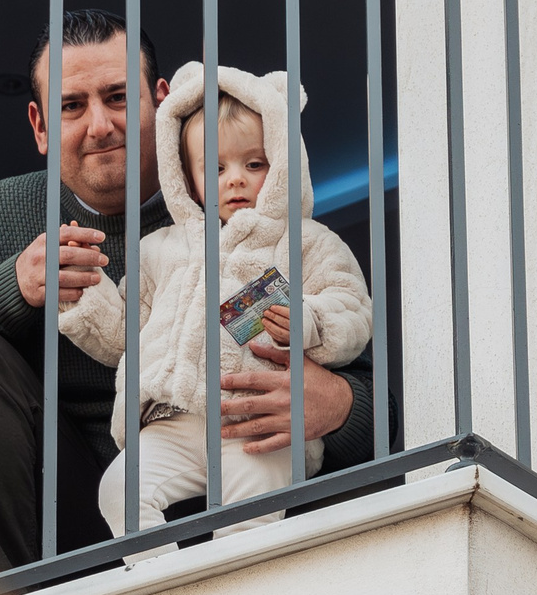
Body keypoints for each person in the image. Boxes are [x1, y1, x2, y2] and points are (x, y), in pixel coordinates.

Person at [0, 10, 377, 580]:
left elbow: (379, 403)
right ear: (40, 125)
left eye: (117, 97)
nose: (99, 125)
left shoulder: (254, 214)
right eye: (71, 106)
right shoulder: (2, 215)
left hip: (231, 489)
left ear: (160, 102)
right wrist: (12, 289)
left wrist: (337, 404)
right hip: (60, 517)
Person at [59, 65, 372, 533]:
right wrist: (83, 289)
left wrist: (309, 320)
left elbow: (352, 306)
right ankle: (157, 572)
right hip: (171, 421)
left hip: (261, 423)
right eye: (216, 168)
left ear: (283, 162)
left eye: (255, 164)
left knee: (245, 526)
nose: (236, 180)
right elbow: (125, 333)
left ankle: (237, 580)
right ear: (186, 176)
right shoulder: (158, 250)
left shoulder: (308, 241)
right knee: (120, 491)